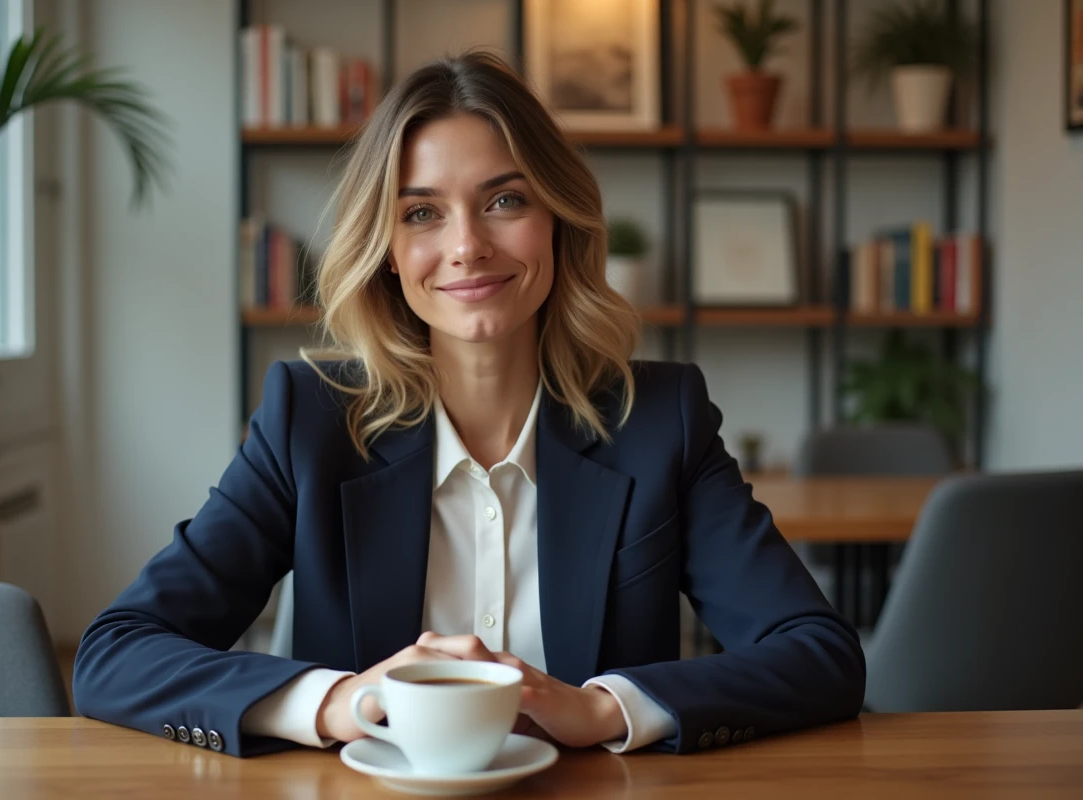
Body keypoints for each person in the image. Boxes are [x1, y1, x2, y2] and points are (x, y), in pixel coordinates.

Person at [73, 51, 864, 759]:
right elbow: (116, 654)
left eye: (505, 201)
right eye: (421, 213)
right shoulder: (309, 421)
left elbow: (819, 653)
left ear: (559, 218)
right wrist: (341, 701)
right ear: (386, 252)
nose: (466, 247)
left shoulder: (659, 420)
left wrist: (602, 710)